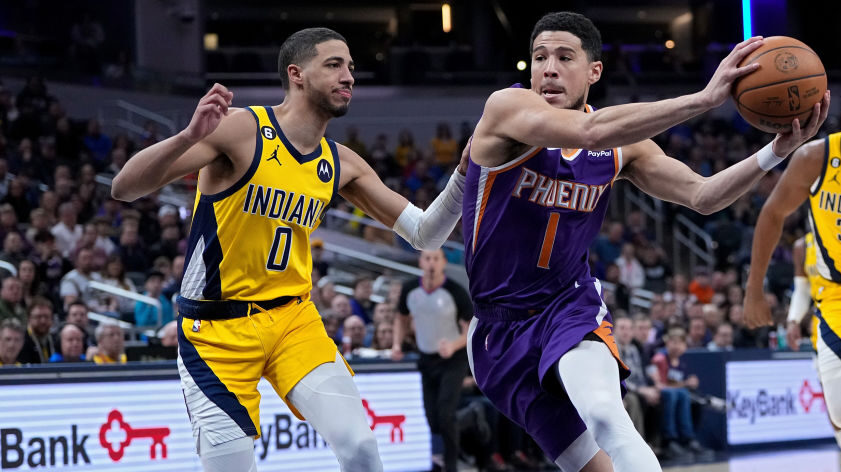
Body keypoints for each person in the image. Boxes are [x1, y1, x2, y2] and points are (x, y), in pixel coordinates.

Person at [461, 11, 829, 472]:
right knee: (591, 467)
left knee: (605, 415)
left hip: (566, 307)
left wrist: (775, 151)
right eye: (539, 58)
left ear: (594, 71)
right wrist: (703, 99)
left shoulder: (622, 148)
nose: (549, 69)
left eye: (564, 57)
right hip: (496, 331)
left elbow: (703, 196)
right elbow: (590, 131)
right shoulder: (507, 108)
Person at [111, 27, 465, 472]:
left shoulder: (341, 162)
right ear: (296, 74)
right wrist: (187, 136)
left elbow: (426, 234)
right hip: (214, 331)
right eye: (334, 65)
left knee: (360, 448)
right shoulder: (242, 128)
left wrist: (465, 176)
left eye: (351, 67)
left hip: (292, 321)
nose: (349, 76)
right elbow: (124, 188)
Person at [745, 133, 841, 448]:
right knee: (837, 413)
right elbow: (773, 213)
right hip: (833, 302)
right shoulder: (817, 157)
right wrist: (754, 289)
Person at [392, 249, 473, 472]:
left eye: (436, 259)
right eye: (427, 258)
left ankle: (451, 465)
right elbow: (401, 318)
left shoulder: (455, 291)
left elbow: (471, 328)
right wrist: (397, 344)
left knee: (445, 414)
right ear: (420, 262)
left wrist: (454, 345)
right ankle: (471, 417)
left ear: (443, 262)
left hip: (453, 360)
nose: (431, 263)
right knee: (432, 419)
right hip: (426, 358)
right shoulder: (410, 289)